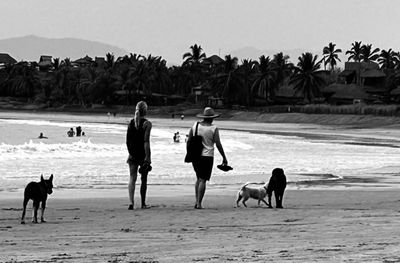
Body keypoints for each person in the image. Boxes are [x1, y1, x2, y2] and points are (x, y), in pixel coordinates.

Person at [188, 107, 228, 209]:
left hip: (196, 156)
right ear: (212, 118)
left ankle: (197, 201)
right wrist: (224, 157)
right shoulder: (213, 128)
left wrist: (189, 153)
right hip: (207, 156)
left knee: (198, 178)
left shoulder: (195, 125)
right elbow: (218, 144)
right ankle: (199, 203)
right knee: (203, 180)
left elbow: (189, 140)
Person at [126, 101, 152, 210]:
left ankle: (131, 202)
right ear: (145, 111)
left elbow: (127, 141)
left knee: (132, 178)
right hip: (142, 154)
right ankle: (143, 203)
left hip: (132, 155)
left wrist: (131, 153)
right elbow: (146, 141)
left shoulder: (131, 123)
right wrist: (148, 156)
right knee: (144, 179)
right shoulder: (147, 124)